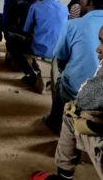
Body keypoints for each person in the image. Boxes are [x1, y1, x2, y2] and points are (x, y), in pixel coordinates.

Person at [30, 26, 103, 180]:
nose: (98, 49)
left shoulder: (74, 24)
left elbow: (85, 99)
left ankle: (63, 175)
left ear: (86, 2)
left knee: (71, 112)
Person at [44, 0, 103, 132]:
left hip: (78, 93)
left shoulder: (73, 25)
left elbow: (62, 61)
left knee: (57, 66)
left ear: (88, 1)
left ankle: (55, 119)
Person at [6, 0, 68, 86]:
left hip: (40, 49)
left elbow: (26, 30)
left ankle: (31, 75)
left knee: (11, 43)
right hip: (59, 51)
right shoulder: (64, 7)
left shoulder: (35, 7)